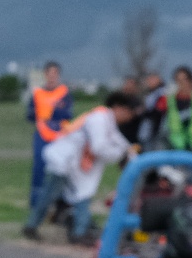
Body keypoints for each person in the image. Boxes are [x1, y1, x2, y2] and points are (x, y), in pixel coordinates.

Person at [22, 91, 140, 244]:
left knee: (82, 195)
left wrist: (129, 153)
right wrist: (121, 155)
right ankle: (33, 226)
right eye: (129, 113)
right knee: (51, 195)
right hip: (63, 160)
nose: (130, 118)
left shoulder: (107, 120)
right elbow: (99, 147)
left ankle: (78, 232)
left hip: (74, 164)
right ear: (119, 107)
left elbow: (118, 142)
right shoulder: (99, 118)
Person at [25, 61, 75, 207]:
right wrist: (40, 114)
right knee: (39, 168)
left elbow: (68, 113)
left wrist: (51, 111)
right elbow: (30, 114)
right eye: (49, 73)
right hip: (42, 135)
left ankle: (61, 202)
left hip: (59, 136)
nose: (52, 76)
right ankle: (36, 202)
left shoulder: (64, 93)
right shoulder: (37, 93)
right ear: (45, 74)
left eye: (55, 73)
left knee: (61, 168)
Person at [150, 65, 192, 151]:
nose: (182, 83)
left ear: (191, 80)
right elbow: (155, 115)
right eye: (178, 80)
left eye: (184, 79)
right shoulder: (167, 99)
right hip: (174, 145)